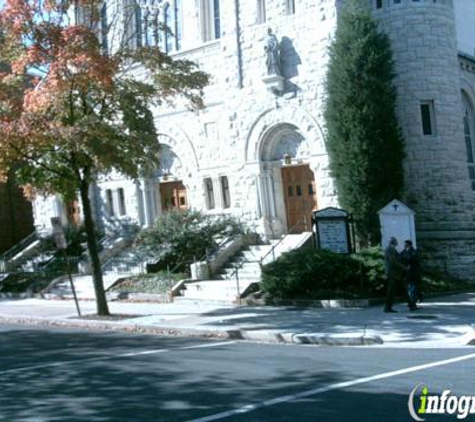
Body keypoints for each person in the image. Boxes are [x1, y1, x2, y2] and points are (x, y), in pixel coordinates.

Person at [384, 237, 407, 313]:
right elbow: (393, 261)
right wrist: (403, 267)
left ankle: (411, 304)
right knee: (391, 291)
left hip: (395, 273)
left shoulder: (391, 249)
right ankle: (387, 308)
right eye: (396, 241)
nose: (397, 242)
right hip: (393, 273)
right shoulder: (390, 249)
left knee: (403, 289)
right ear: (393, 242)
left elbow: (396, 258)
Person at [400, 239, 422, 311]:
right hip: (407, 273)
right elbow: (400, 258)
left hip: (413, 273)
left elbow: (411, 260)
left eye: (405, 244)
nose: (404, 245)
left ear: (409, 245)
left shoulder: (413, 252)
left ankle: (412, 304)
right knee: (410, 288)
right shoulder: (404, 251)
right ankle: (411, 303)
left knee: (412, 289)